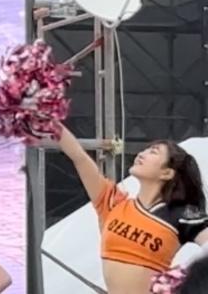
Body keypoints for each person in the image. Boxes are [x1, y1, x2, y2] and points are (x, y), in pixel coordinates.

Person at [57, 123, 208, 293]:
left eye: (153, 152)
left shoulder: (183, 214)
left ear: (167, 173)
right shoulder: (113, 203)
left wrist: (184, 277)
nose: (141, 154)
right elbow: (79, 157)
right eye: (145, 150)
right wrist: (50, 122)